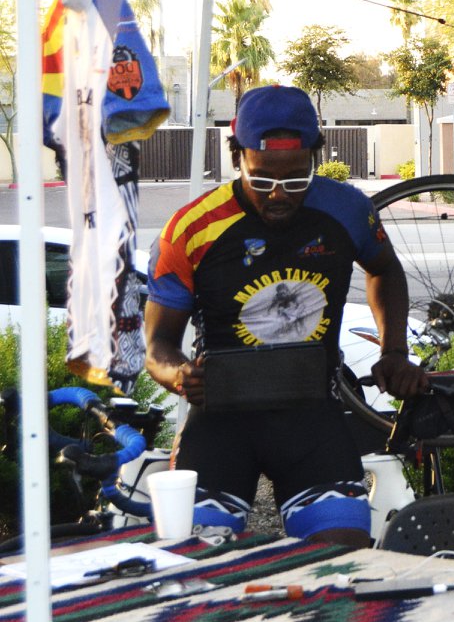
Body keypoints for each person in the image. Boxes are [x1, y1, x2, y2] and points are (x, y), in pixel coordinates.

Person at [145, 86, 428, 546]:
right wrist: (178, 375)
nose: (278, 194)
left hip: (311, 416)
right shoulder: (191, 228)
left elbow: (384, 269)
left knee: (342, 558)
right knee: (197, 561)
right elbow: (157, 347)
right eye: (261, 180)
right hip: (219, 424)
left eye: (297, 180)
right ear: (237, 157)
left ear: (316, 156)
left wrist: (394, 350)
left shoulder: (346, 209)